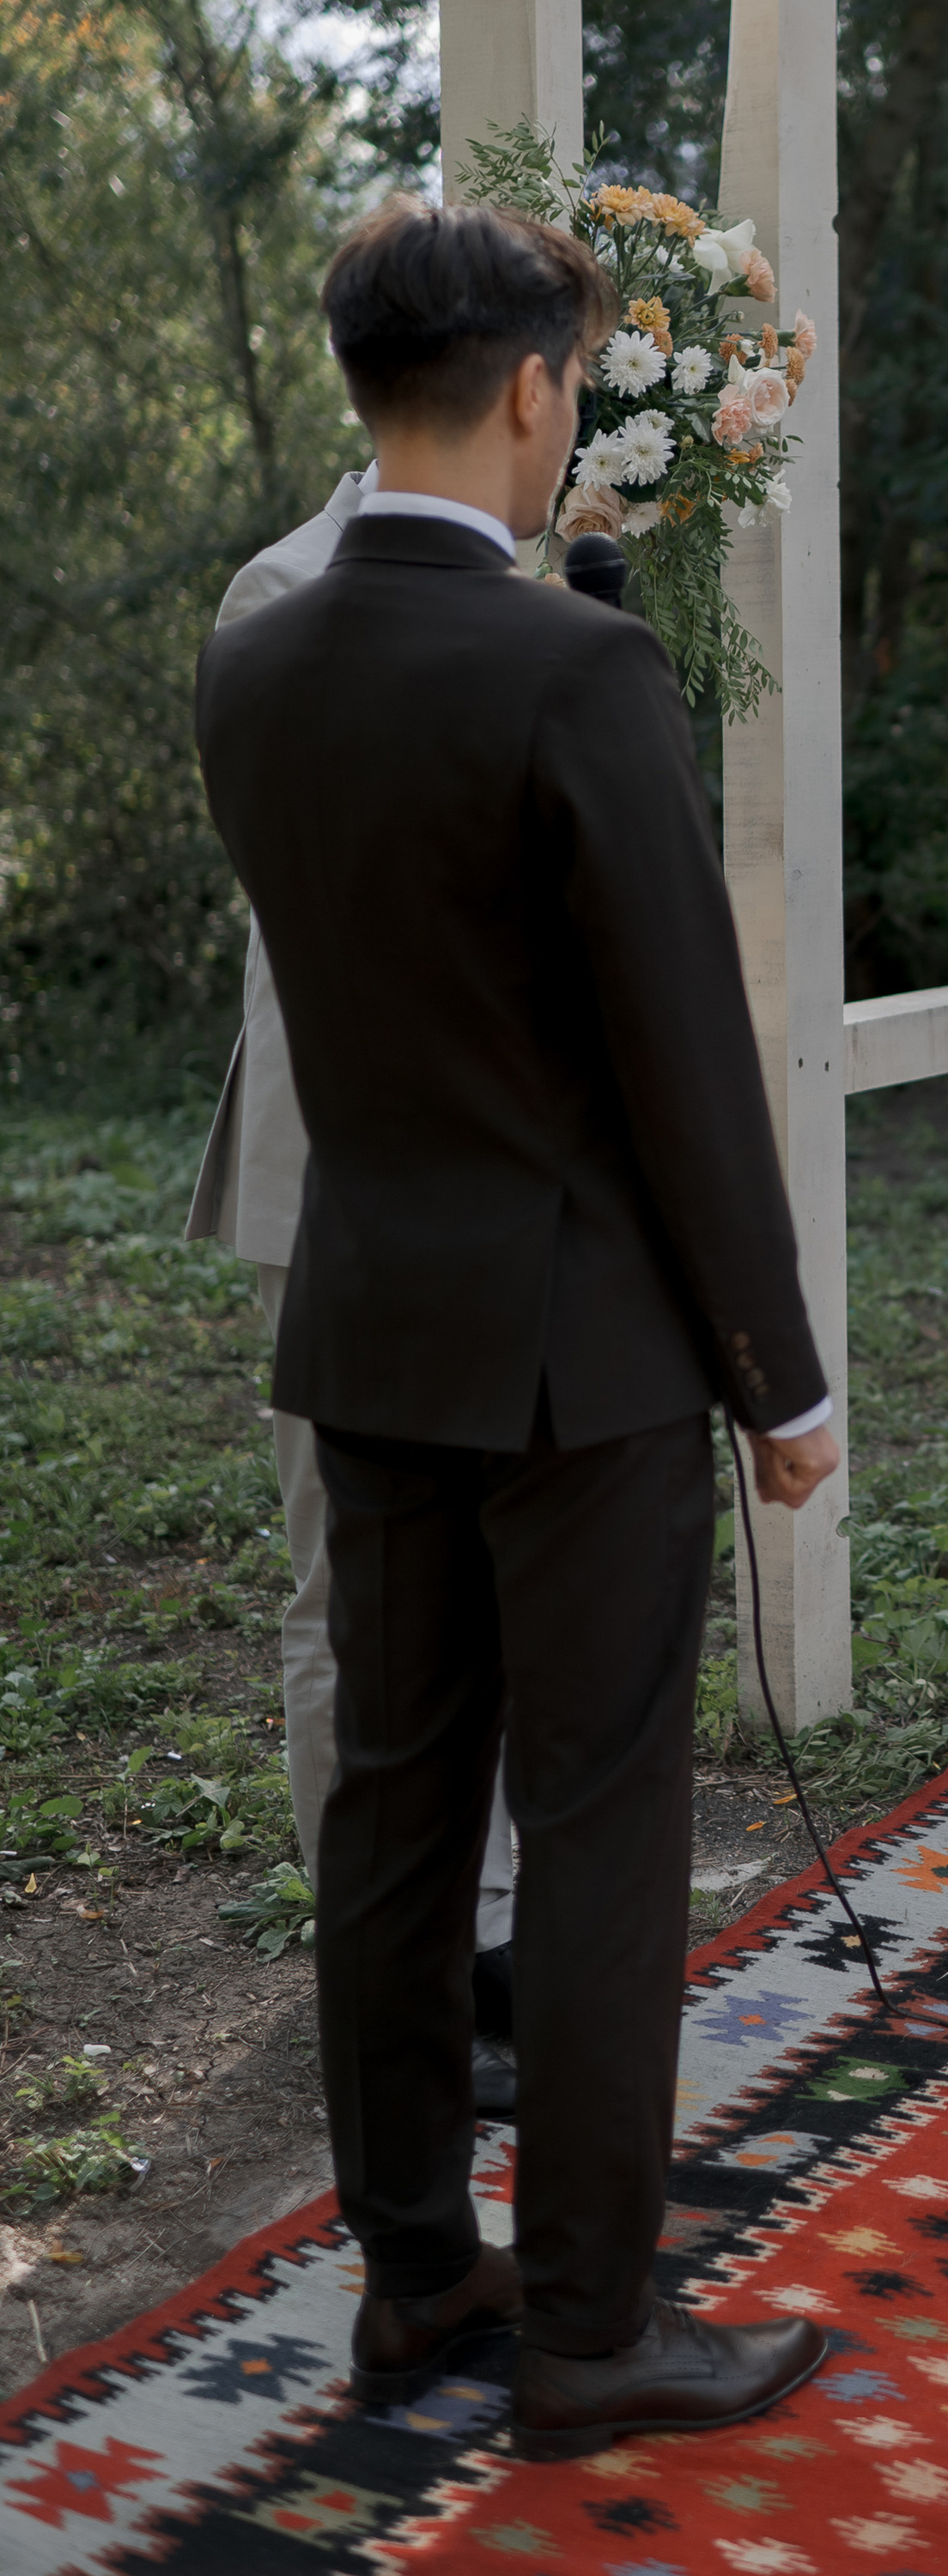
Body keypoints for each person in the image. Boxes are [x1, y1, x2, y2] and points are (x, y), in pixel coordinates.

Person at [195, 197, 839, 2459]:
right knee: (594, 1827)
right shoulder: (575, 667)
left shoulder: (255, 659)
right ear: (540, 391)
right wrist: (781, 1377)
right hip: (583, 1358)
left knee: (393, 1820)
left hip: (367, 1320)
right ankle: (589, 2325)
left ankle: (414, 2282)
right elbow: (682, 1056)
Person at [186, 465, 522, 2118]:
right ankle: (390, 1966)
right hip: (343, 1170)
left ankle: (494, 1928)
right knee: (361, 1587)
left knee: (507, 1569)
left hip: (512, 1171)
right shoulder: (283, 596)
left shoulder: (544, 585)